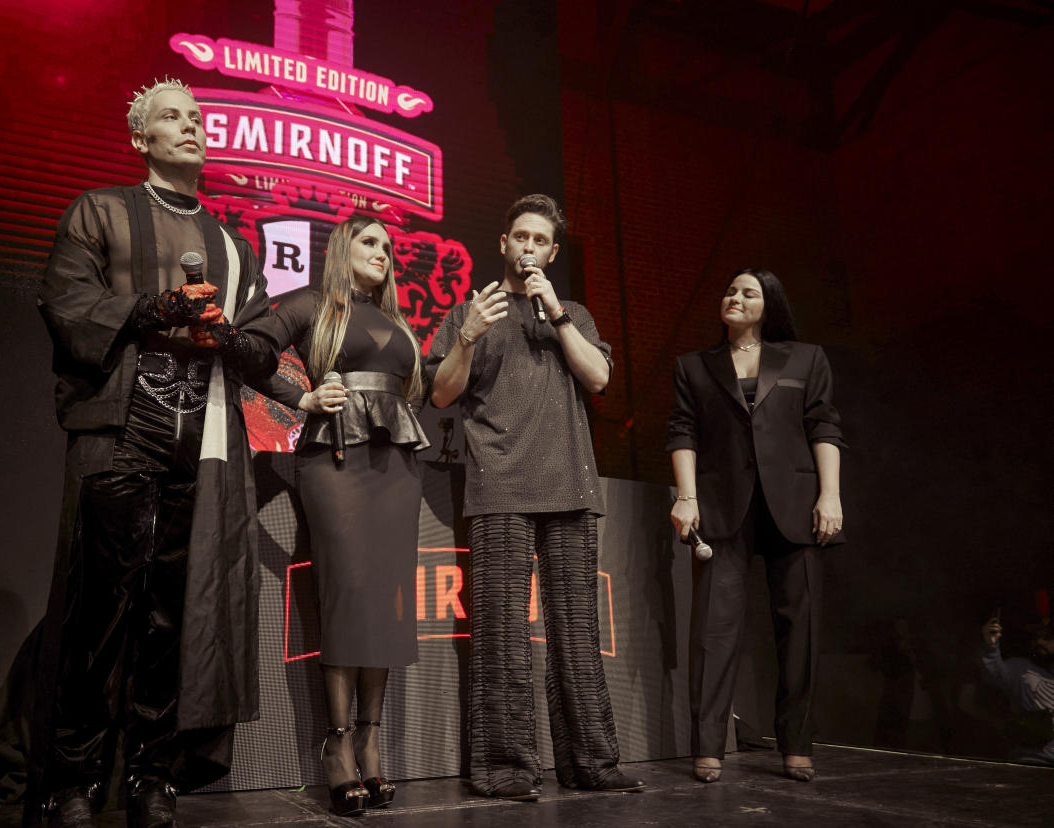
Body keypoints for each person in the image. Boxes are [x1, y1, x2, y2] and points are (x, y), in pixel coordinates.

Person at [31, 79, 276, 828]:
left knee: (173, 615)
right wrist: (150, 308)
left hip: (201, 447)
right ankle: (73, 779)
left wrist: (229, 337)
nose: (191, 126)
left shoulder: (235, 245)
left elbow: (266, 344)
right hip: (122, 433)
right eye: (173, 116)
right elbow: (67, 302)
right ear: (141, 138)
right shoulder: (99, 210)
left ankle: (151, 773)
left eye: (198, 117)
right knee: (99, 608)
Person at [427, 194, 644, 800]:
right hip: (500, 487)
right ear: (503, 244)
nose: (527, 247)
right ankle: (505, 770)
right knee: (501, 636)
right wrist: (468, 337)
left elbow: (599, 379)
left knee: (577, 634)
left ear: (551, 252)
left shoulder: (570, 310)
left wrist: (559, 316)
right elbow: (441, 396)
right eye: (519, 236)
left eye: (539, 240)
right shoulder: (469, 313)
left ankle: (591, 765)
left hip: (570, 486)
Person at [250, 217, 429, 815]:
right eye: (369, 242)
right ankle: (337, 744)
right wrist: (297, 396)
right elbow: (248, 348)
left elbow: (413, 392)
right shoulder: (311, 304)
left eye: (387, 246)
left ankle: (372, 742)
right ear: (341, 249)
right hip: (334, 459)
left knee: (385, 599)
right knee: (348, 593)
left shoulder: (399, 321)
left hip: (396, 468)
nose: (382, 253)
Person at [667, 267, 845, 784]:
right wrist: (687, 496)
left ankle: (796, 744)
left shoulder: (806, 358)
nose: (735, 297)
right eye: (729, 290)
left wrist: (830, 494)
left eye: (748, 292)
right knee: (713, 631)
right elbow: (683, 431)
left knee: (800, 630)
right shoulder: (694, 366)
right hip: (724, 507)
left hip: (795, 502)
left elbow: (824, 425)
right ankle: (708, 747)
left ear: (769, 305)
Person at [980, 615, 1054, 765]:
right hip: (1033, 760)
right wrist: (990, 646)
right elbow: (993, 675)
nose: (1039, 642)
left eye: (1047, 638)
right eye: (1036, 637)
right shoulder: (1020, 668)